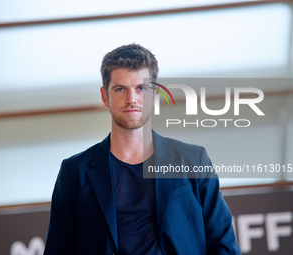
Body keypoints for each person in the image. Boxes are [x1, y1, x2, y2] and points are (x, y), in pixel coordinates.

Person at [44, 44, 241, 255]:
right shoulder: (75, 171)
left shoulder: (194, 160)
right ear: (104, 96)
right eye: (120, 89)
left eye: (141, 88)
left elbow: (224, 245)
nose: (132, 99)